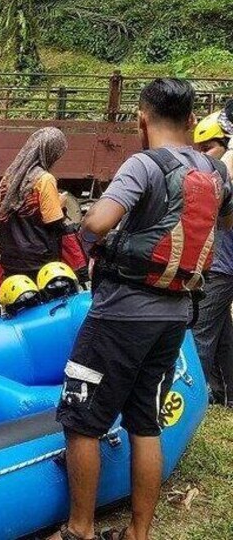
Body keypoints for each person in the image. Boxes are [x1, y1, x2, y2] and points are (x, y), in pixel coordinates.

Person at [50, 79, 233, 540]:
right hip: (176, 314)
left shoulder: (143, 164)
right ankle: (138, 533)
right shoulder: (216, 174)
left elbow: (98, 221)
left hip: (121, 313)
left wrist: (90, 232)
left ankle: (80, 529)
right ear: (192, 121)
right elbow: (224, 222)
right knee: (145, 420)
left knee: (81, 420)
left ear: (141, 119)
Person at [192, 111, 233, 406]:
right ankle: (226, 392)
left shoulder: (227, 168)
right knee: (221, 333)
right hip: (221, 262)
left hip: (222, 264)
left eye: (208, 148)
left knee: (200, 333)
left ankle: (193, 399)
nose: (204, 156)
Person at [0, 127, 68, 279]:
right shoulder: (44, 180)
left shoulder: (7, 178)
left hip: (9, 259)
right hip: (38, 263)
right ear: (50, 153)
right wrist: (60, 205)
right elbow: (54, 224)